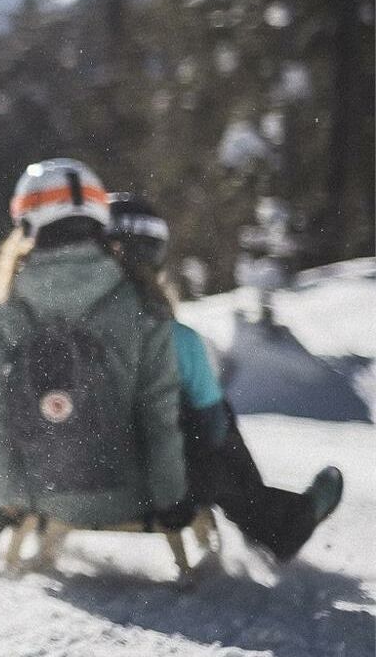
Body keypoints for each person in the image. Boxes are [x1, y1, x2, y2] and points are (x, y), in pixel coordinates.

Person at [105, 194, 344, 562]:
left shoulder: (66, 334)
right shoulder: (177, 340)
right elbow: (213, 429)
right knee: (216, 423)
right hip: (158, 492)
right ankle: (277, 523)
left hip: (81, 481)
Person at [0, 159, 192, 541]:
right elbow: (158, 410)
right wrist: (170, 500)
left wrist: (10, 498)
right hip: (131, 497)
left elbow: (0, 415)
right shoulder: (140, 300)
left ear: (28, 220)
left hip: (42, 499)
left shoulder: (9, 308)